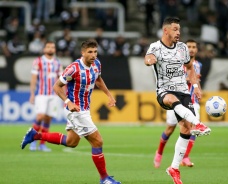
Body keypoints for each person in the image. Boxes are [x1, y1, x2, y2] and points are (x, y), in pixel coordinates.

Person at [21, 39, 121, 184]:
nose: (93, 55)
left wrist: (109, 95)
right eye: (90, 52)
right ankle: (104, 178)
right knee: (98, 141)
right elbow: (56, 86)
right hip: (76, 111)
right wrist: (69, 102)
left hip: (84, 109)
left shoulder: (97, 64)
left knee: (71, 142)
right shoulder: (73, 69)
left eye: (95, 52)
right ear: (83, 53)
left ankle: (35, 135)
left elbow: (98, 79)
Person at [144, 17, 211, 184]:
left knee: (186, 129)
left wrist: (195, 86)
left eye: (179, 29)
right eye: (175, 29)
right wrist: (149, 60)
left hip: (184, 91)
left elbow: (190, 67)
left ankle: (174, 168)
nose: (178, 33)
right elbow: (148, 58)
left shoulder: (182, 48)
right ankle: (199, 123)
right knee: (173, 101)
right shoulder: (156, 47)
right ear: (166, 31)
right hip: (164, 92)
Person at [153, 39, 202, 168]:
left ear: (196, 50)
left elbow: (195, 79)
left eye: (194, 47)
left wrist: (198, 89)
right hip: (176, 99)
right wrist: (186, 79)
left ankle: (185, 157)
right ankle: (159, 152)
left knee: (191, 128)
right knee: (170, 129)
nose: (191, 49)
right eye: (189, 46)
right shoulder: (177, 61)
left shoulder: (198, 65)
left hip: (192, 101)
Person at [29, 41, 62, 152]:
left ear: (55, 49)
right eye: (48, 47)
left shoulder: (58, 63)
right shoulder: (38, 61)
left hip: (54, 95)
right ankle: (32, 141)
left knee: (48, 119)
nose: (50, 49)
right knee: (40, 116)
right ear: (44, 49)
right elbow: (33, 79)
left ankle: (42, 144)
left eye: (52, 47)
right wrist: (32, 94)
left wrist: (64, 95)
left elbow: (61, 80)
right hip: (42, 94)